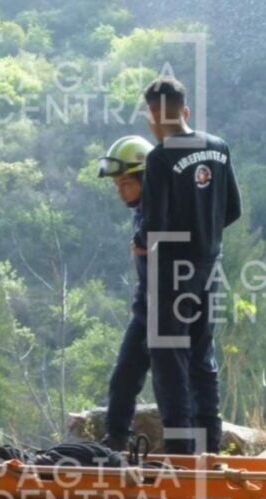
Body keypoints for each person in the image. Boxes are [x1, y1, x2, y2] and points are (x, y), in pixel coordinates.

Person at [137, 76, 242, 454]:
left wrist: (140, 245)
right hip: (208, 265)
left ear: (152, 114)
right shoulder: (218, 147)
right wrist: (204, 235)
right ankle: (210, 444)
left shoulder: (161, 158)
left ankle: (181, 452)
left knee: (169, 359)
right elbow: (233, 209)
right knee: (201, 354)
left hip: (170, 273)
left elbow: (153, 225)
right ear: (185, 110)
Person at [96, 135, 154, 452]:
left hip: (169, 311)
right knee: (123, 379)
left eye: (126, 183)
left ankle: (186, 456)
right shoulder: (141, 210)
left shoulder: (163, 211)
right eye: (117, 185)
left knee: (174, 384)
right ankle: (116, 443)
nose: (120, 191)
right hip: (145, 309)